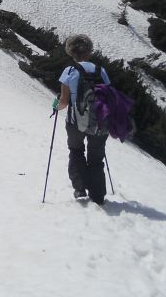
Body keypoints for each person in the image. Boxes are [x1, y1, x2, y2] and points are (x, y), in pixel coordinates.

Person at [52, 34, 110, 204]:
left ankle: (80, 189)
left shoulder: (69, 71)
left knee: (76, 151)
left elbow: (63, 102)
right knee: (96, 159)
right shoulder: (101, 71)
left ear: (71, 52)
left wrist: (56, 107)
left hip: (75, 122)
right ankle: (98, 196)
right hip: (100, 122)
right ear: (90, 51)